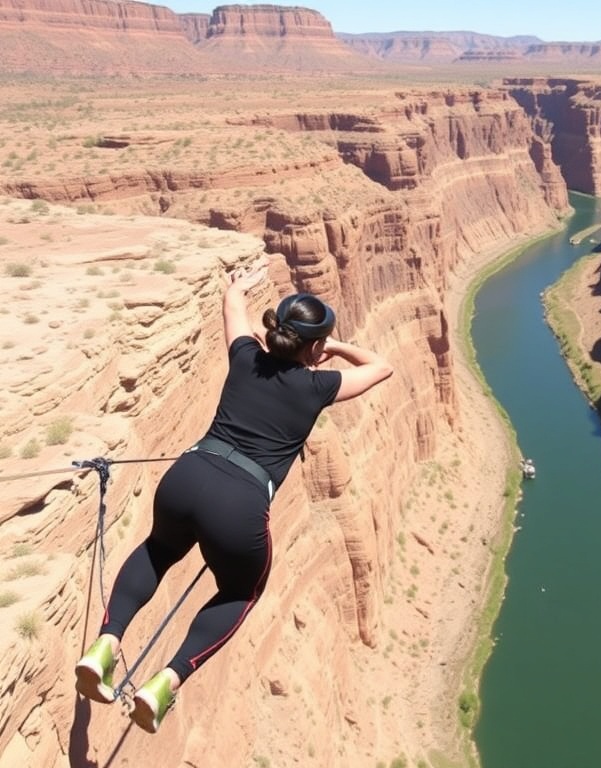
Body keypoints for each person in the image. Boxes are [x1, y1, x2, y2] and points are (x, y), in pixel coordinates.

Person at [73, 256, 393, 733]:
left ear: (276, 332)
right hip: (239, 505)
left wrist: (241, 287)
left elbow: (232, 305)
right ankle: (166, 682)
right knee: (241, 591)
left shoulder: (245, 356)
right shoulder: (318, 386)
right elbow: (380, 367)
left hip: (187, 476)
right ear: (314, 345)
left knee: (158, 551)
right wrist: (333, 348)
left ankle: (106, 645)